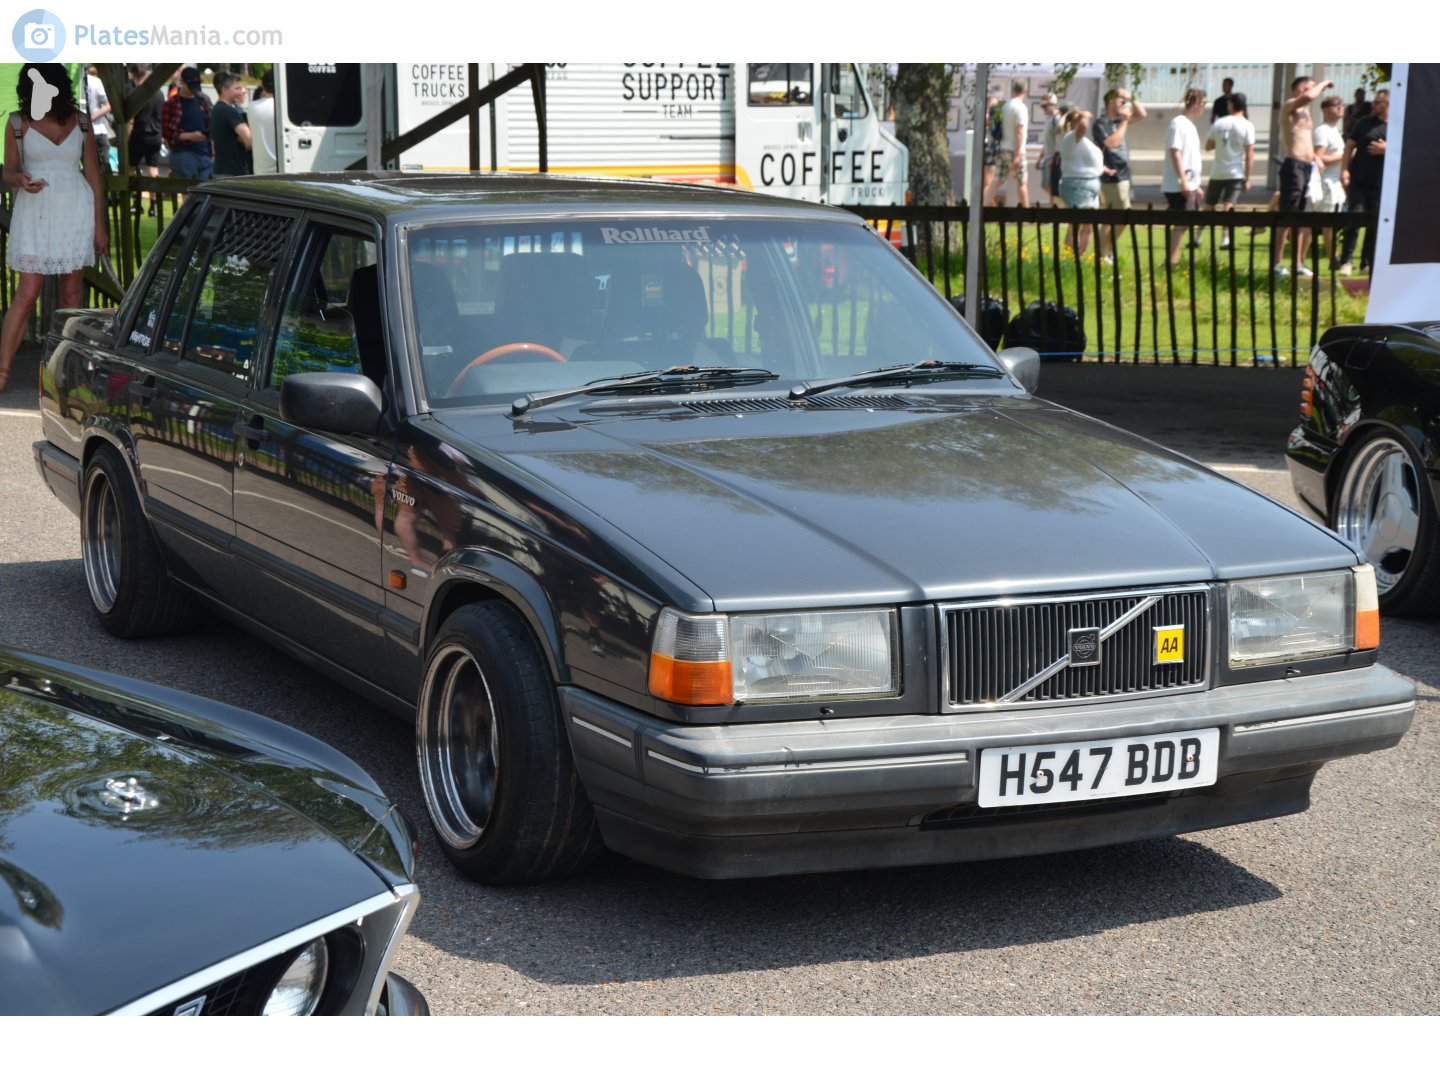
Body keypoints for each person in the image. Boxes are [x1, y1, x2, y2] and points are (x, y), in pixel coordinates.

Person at [0, 64, 108, 392]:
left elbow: (93, 177)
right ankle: (2, 371)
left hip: (76, 210)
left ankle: (65, 371)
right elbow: (8, 172)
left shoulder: (83, 122)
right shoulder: (17, 122)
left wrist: (99, 226)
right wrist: (18, 179)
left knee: (71, 293)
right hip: (35, 212)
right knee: (27, 291)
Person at [1272, 74, 1333, 278]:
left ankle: (1297, 264)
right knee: (1286, 216)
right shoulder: (1291, 104)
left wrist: (1317, 157)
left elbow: (1304, 139)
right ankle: (1277, 264)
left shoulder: (1306, 113)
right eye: (1311, 87)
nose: (1315, 91)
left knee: (1302, 217)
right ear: (1300, 89)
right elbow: (1308, 98)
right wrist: (1323, 84)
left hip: (1308, 168)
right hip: (1294, 167)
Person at [1091, 86, 1148, 263]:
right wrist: (1124, 122)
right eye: (1120, 100)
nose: (1124, 103)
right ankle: (1103, 253)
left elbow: (1143, 114)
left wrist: (1130, 97)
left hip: (1124, 175)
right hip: (1111, 176)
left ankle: (1105, 250)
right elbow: (1111, 143)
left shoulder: (1118, 121)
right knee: (1118, 216)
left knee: (1118, 217)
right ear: (1110, 102)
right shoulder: (1101, 124)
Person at [1339, 87, 1388, 275]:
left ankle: (1367, 262)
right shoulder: (1364, 123)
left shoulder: (1398, 125)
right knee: (1355, 217)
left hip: (1382, 183)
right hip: (1359, 180)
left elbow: (1408, 152)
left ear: (1388, 104)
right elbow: (1349, 147)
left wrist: (1388, 149)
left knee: (1375, 223)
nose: (1373, 105)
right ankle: (1346, 261)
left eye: (1377, 102)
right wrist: (1344, 171)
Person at [1204, 90, 1255, 250]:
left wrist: (1220, 144)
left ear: (1231, 105)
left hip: (1217, 171)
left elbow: (1208, 146)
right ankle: (1225, 239)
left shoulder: (1219, 123)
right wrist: (1248, 178)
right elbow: (1249, 154)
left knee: (1209, 204)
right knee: (1228, 205)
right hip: (1235, 172)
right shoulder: (1248, 125)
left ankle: (1197, 237)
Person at [1058, 109, 1112, 256]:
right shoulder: (1071, 137)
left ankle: (1079, 257)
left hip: (1089, 186)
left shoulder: (1081, 141)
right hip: (1078, 186)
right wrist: (1086, 115)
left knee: (1088, 226)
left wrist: (1103, 169)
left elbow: (1087, 161)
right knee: (1076, 224)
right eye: (1079, 119)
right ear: (1073, 123)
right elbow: (1083, 126)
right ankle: (1070, 257)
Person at [1162, 89, 1206, 268]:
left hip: (1190, 183)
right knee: (1181, 223)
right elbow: (1176, 152)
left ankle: (1173, 259)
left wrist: (1197, 184)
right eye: (1203, 104)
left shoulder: (1190, 125)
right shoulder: (1178, 123)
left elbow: (1190, 157)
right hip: (1179, 184)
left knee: (1186, 222)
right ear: (1196, 104)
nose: (1203, 108)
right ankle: (1172, 261)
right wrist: (1184, 181)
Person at [1312, 94, 1348, 271]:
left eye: (1342, 104)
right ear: (1326, 110)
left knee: (1334, 223)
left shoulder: (1334, 131)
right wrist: (1345, 156)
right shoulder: (1323, 131)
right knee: (1328, 223)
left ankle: (1335, 256)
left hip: (1336, 183)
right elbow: (1318, 157)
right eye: (1336, 105)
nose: (1340, 107)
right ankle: (1334, 258)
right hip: (1326, 182)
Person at [985, 79, 1030, 208]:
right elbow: (1019, 133)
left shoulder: (1005, 106)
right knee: (1022, 182)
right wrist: (1017, 155)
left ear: (1012, 90)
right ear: (1025, 91)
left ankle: (983, 206)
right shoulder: (1021, 108)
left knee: (997, 180)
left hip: (1002, 148)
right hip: (1015, 150)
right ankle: (1028, 216)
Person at [126, 64, 163, 216]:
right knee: (153, 170)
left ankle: (136, 202)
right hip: (155, 136)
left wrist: (127, 137)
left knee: (131, 168)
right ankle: (153, 205)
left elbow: (131, 120)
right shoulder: (160, 93)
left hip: (139, 135)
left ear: (133, 75)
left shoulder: (137, 93)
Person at [163, 66, 213, 181]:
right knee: (189, 192)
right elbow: (166, 132)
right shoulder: (171, 103)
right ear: (182, 81)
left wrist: (212, 153)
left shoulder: (203, 101)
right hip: (183, 153)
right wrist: (189, 136)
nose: (193, 90)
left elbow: (208, 125)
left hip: (204, 153)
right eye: (190, 86)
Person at [209, 71, 252, 178]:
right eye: (236, 89)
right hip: (233, 173)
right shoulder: (229, 112)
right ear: (224, 90)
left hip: (220, 170)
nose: (240, 92)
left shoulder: (216, 109)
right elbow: (250, 140)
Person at [248, 68, 278, 174]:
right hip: (285, 170)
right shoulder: (286, 108)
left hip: (261, 172)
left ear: (262, 85)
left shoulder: (252, 108)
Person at [83, 66, 112, 174]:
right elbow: (109, 105)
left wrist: (89, 119)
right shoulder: (96, 81)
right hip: (97, 131)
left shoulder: (95, 82)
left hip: (92, 131)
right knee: (103, 170)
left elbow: (109, 105)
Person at [1036, 93, 1063, 206]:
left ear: (1053, 105)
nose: (1044, 109)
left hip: (1053, 158)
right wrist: (1039, 159)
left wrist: (1055, 159)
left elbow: (1059, 141)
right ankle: (1055, 208)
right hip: (1047, 157)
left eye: (1045, 106)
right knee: (1048, 186)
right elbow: (1047, 142)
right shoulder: (1049, 119)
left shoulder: (1057, 120)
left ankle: (1056, 208)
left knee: (1051, 186)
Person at [980, 96, 999, 206]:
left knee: (989, 183)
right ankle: (990, 206)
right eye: (991, 105)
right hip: (985, 149)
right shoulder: (986, 116)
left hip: (992, 151)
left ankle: (988, 207)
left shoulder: (996, 118)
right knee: (986, 183)